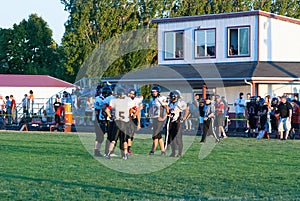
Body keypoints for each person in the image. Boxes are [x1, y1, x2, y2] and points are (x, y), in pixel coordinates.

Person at [105, 88, 133, 160]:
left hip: (117, 122)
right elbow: (133, 109)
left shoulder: (114, 101)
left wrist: (111, 117)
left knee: (113, 139)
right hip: (125, 122)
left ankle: (108, 153)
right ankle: (125, 155)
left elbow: (107, 110)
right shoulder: (128, 101)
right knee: (124, 140)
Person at [166, 90, 189, 158]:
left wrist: (184, 118)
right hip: (171, 121)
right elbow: (169, 111)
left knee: (178, 138)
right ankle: (173, 152)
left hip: (178, 122)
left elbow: (186, 110)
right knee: (171, 138)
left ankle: (179, 153)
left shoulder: (180, 103)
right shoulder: (170, 103)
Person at [148, 86, 168, 155]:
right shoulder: (153, 100)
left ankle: (152, 151)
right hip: (154, 119)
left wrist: (164, 117)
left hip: (159, 119)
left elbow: (167, 108)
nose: (154, 93)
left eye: (155, 92)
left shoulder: (161, 99)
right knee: (158, 135)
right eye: (153, 92)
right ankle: (163, 151)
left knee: (155, 135)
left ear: (158, 92)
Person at [127, 88, 143, 156]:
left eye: (132, 94)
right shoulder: (127, 101)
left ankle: (128, 148)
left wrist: (139, 123)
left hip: (133, 119)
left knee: (131, 136)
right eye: (130, 93)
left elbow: (138, 112)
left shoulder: (136, 101)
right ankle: (127, 149)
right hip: (127, 119)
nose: (131, 95)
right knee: (127, 135)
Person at [93, 88, 105, 157]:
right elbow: (97, 110)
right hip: (98, 120)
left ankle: (97, 151)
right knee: (99, 136)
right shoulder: (98, 99)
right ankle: (96, 151)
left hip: (102, 120)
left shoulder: (101, 99)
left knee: (101, 137)